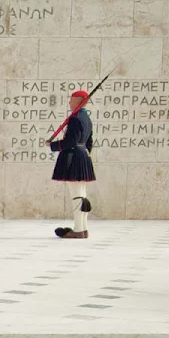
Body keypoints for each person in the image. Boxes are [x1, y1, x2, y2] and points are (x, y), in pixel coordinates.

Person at [49, 90, 95, 239]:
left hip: (73, 156)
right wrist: (84, 154)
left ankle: (78, 229)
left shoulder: (75, 118)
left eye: (71, 100)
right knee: (81, 194)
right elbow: (89, 142)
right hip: (82, 155)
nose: (69, 102)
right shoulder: (86, 117)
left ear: (78, 101)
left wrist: (53, 146)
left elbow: (71, 141)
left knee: (77, 195)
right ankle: (84, 228)